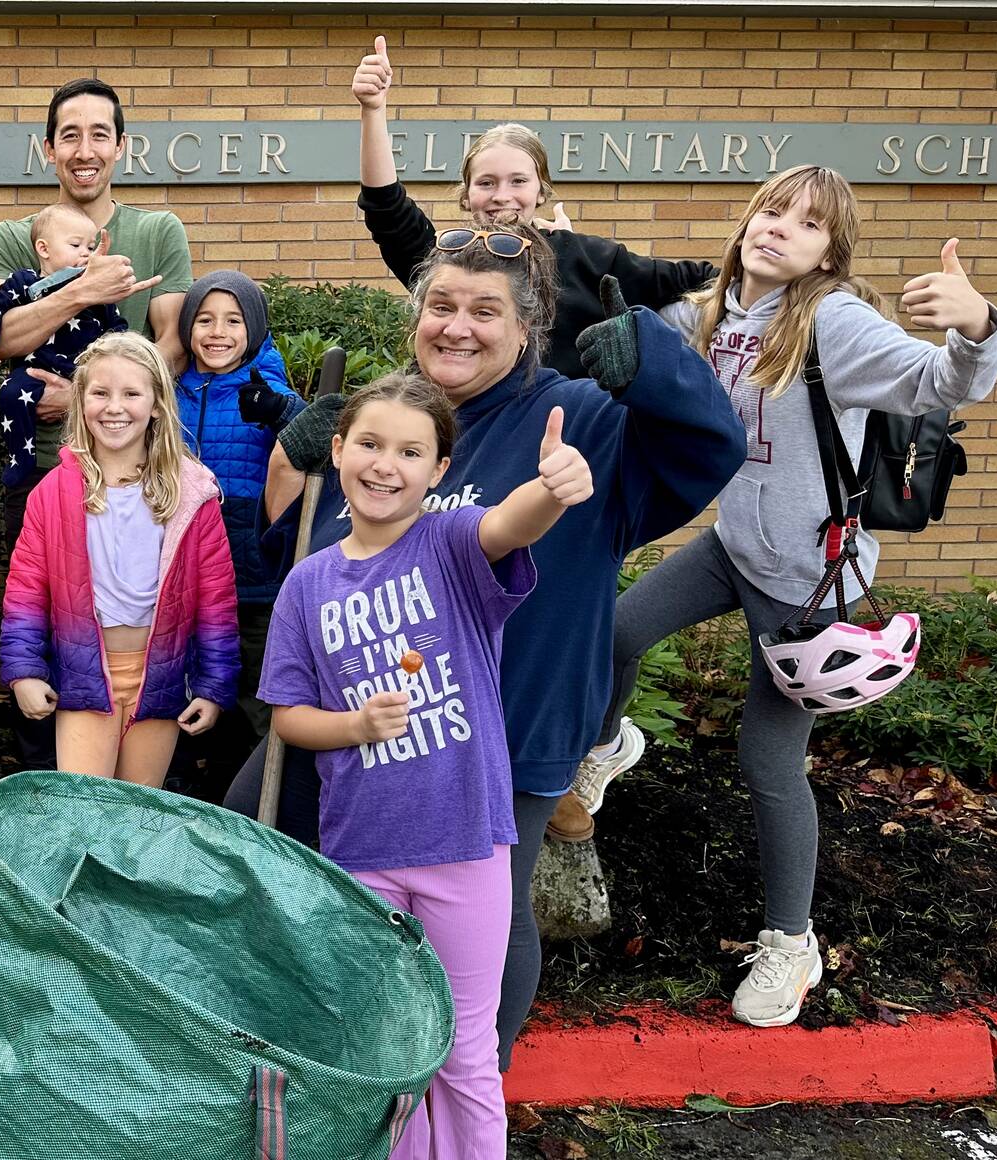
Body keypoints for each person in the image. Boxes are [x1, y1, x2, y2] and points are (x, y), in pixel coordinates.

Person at [228, 225, 746, 1069]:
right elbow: (317, 569)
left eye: (485, 311)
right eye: (440, 305)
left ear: (527, 328)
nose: (457, 326)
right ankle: (327, 1065)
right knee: (256, 842)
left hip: (508, 730)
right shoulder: (391, 422)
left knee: (487, 918)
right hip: (365, 729)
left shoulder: (579, 417)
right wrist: (301, 463)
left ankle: (472, 1083)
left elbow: (711, 447)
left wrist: (654, 364)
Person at [577, 166, 997, 1028]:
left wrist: (978, 328)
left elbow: (938, 385)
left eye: (806, 225)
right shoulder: (712, 310)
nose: (779, 228)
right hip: (735, 547)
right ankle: (612, 742)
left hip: (810, 581)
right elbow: (631, 339)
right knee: (614, 634)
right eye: (772, 209)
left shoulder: (831, 321)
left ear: (826, 255)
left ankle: (789, 941)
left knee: (766, 765)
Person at [265, 372, 591, 1158]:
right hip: (362, 856)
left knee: (465, 1052)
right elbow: (287, 717)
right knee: (388, 1052)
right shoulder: (308, 585)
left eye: (411, 451)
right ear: (338, 451)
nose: (386, 465)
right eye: (370, 444)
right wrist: (352, 724)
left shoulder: (448, 544)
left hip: (463, 846)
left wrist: (551, 489)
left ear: (438, 470)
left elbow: (511, 525)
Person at [349, 36, 716, 379]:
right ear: (467, 193)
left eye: (518, 181)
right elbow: (386, 208)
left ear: (542, 190)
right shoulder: (446, 259)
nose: (501, 195)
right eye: (486, 182)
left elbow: (699, 279)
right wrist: (373, 110)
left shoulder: (584, 257)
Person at [0, 332, 240, 784]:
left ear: (156, 405)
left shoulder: (193, 493)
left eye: (131, 393)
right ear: (81, 402)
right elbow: (25, 593)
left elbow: (217, 601)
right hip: (84, 675)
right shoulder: (52, 493)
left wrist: (213, 685)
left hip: (160, 677)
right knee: (88, 813)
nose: (114, 407)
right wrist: (24, 671)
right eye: (100, 393)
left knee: (137, 817)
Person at [0, 77, 194, 541]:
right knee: (42, 605)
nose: (84, 150)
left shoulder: (159, 232)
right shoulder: (14, 238)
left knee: (132, 607)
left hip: (134, 462)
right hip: (39, 462)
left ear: (120, 146)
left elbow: (173, 346)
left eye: (99, 134)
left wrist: (83, 397)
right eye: (70, 135)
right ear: (49, 149)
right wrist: (81, 290)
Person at [172, 270, 305, 734]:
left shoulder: (266, 385)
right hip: (183, 571)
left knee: (255, 695)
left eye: (233, 321)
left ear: (254, 328)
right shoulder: (171, 390)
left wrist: (282, 412)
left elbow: (319, 441)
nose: (218, 333)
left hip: (251, 574)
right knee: (187, 689)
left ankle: (252, 798)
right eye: (205, 320)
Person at [0, 202, 127, 492]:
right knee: (9, 395)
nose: (86, 253)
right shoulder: (23, 282)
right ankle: (21, 456)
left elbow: (117, 327)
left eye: (90, 247)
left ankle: (86, 462)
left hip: (78, 373)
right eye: (76, 244)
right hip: (33, 371)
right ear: (44, 249)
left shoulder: (96, 287)